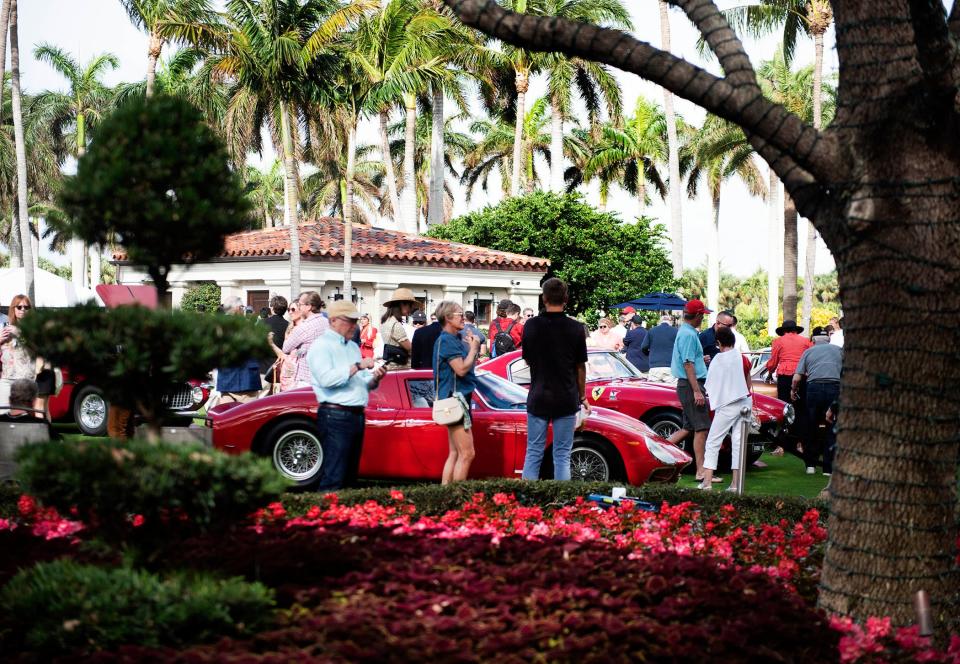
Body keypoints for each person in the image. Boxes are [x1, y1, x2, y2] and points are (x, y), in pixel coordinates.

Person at [306, 300, 387, 491]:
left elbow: (361, 382)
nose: (354, 325)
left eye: (355, 321)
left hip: (355, 413)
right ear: (333, 321)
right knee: (334, 475)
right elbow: (327, 379)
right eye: (349, 321)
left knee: (349, 476)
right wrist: (358, 366)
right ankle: (325, 517)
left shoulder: (351, 347)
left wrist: (375, 378)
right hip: (335, 414)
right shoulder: (321, 346)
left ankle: (342, 516)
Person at [520, 278, 589, 481]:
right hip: (567, 397)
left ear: (544, 298)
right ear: (566, 298)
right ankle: (563, 505)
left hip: (539, 395)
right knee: (562, 456)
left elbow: (527, 359)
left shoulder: (531, 326)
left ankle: (527, 504)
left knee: (533, 453)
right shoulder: (576, 328)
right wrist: (582, 395)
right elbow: (580, 366)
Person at [432, 300, 481, 484]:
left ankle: (446, 498)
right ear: (447, 318)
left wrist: (470, 349)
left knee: (455, 453)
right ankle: (457, 499)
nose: (463, 317)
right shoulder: (447, 340)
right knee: (467, 454)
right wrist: (474, 349)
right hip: (456, 401)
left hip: (452, 401)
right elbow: (461, 369)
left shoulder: (449, 339)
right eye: (459, 314)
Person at [699, 327, 753, 490]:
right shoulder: (743, 358)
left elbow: (711, 383)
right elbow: (748, 381)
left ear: (719, 343)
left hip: (727, 404)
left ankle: (707, 482)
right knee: (738, 443)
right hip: (745, 402)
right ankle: (736, 484)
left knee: (713, 441)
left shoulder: (718, 359)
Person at [669, 299, 714, 483]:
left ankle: (657, 453)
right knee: (702, 428)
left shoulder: (686, 332)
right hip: (690, 385)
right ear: (696, 315)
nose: (703, 318)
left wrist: (699, 360)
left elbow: (688, 361)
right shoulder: (688, 334)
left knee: (689, 428)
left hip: (687, 383)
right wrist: (697, 391)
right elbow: (687, 364)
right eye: (702, 314)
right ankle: (701, 471)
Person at [792, 326, 842, 475]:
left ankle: (810, 466)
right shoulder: (839, 351)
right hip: (834, 388)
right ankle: (828, 468)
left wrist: (793, 390)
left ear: (813, 340)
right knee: (831, 427)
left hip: (814, 388)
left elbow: (796, 378)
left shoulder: (808, 351)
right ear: (828, 338)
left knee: (811, 426)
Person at [216, 296, 265, 404]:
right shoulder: (246, 326)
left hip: (226, 379)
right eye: (242, 307)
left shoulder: (218, 327)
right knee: (248, 417)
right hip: (245, 380)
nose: (243, 310)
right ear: (237, 308)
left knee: (226, 417)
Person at [0, 295, 38, 416]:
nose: (22, 309)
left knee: (22, 416)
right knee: (3, 415)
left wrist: (19, 334)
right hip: (6, 378)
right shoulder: (6, 326)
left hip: (24, 378)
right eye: (19, 306)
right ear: (13, 309)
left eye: (26, 307)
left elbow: (36, 349)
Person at [283, 291, 330, 387]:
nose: (299, 307)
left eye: (300, 305)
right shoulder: (328, 323)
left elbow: (286, 348)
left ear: (309, 307)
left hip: (306, 379)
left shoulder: (304, 327)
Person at [765, 319, 812, 404]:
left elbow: (773, 361)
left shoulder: (778, 341)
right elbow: (811, 359)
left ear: (783, 331)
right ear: (796, 330)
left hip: (785, 376)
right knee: (801, 405)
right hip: (801, 374)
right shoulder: (806, 341)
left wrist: (770, 373)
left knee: (784, 404)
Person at [380, 288, 420, 369]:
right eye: (410, 305)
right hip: (399, 367)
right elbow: (410, 348)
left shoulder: (387, 321)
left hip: (391, 365)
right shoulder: (395, 324)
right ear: (402, 304)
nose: (411, 309)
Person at [641, 315, 679, 384]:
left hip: (655, 366)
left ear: (660, 322)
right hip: (670, 366)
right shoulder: (676, 331)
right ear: (670, 322)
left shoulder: (651, 331)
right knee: (671, 391)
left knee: (655, 392)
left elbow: (644, 347)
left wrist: (649, 354)